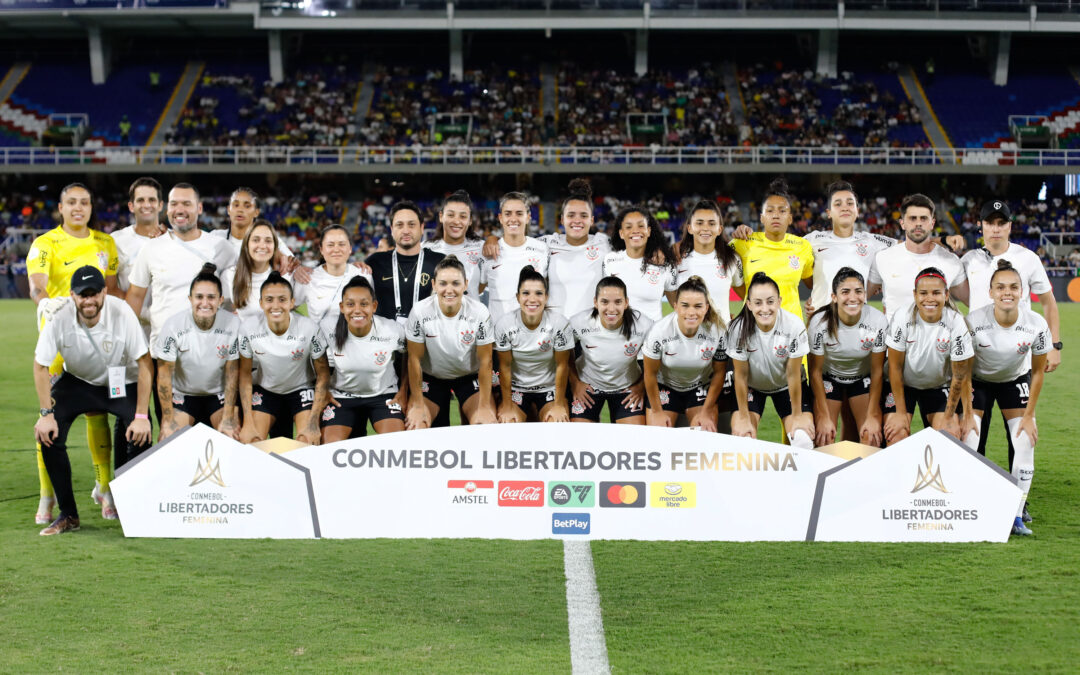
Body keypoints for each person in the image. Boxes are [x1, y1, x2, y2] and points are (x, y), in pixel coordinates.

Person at [26, 182, 121, 525]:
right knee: (50, 420)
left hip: (96, 345)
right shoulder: (45, 243)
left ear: (91, 207)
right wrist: (44, 302)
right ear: (61, 208)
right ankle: (47, 495)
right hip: (57, 347)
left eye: (84, 202)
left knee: (98, 415)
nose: (78, 208)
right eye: (71, 202)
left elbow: (110, 290)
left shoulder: (105, 243)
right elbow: (37, 284)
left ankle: (104, 487)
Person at [32, 266, 152, 535]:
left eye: (94, 294)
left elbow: (144, 363)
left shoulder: (121, 312)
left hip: (118, 381)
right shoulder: (59, 317)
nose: (89, 301)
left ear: (105, 292)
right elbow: (40, 366)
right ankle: (68, 514)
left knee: (142, 431)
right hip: (77, 382)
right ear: (72, 296)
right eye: (82, 295)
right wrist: (45, 413)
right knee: (48, 434)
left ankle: (134, 508)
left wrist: (142, 416)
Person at [961, 200, 1060, 522]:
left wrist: (1053, 345)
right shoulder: (968, 259)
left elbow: (1048, 301)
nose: (995, 227)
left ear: (1009, 227)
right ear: (981, 226)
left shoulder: (1027, 258)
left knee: (1018, 435)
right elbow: (947, 293)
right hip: (978, 357)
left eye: (1001, 222)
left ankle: (1018, 503)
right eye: (990, 222)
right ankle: (975, 498)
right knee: (975, 436)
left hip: (1016, 357)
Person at [964, 260, 1050, 536]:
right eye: (1000, 287)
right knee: (970, 439)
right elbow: (962, 369)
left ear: (1022, 291)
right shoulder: (974, 321)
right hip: (978, 382)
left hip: (1015, 381)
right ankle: (970, 506)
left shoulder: (1036, 324)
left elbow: (1037, 372)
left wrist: (1029, 416)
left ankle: (1016, 514)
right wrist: (966, 412)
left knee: (1025, 440)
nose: (1007, 292)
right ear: (990, 292)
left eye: (1013, 287)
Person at [804, 181, 966, 315]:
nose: (844, 207)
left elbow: (912, 242)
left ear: (857, 211)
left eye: (850, 203)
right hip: (821, 320)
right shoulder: (813, 240)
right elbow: (797, 265)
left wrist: (944, 239)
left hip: (859, 325)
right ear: (829, 212)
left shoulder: (873, 241)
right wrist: (816, 293)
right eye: (837, 204)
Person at [127, 182, 236, 355]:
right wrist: (129, 341)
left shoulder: (220, 247)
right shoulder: (151, 248)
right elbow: (135, 296)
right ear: (167, 208)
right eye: (174, 204)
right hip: (163, 353)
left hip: (209, 353)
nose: (179, 209)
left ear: (199, 208)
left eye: (186, 204)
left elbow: (237, 297)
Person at [882, 267, 976, 446]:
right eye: (923, 293)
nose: (929, 298)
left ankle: (934, 474)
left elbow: (959, 375)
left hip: (938, 386)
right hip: (904, 386)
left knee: (948, 435)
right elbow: (894, 367)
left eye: (936, 293)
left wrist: (949, 416)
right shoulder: (903, 317)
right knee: (896, 435)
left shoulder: (955, 321)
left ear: (946, 295)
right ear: (915, 295)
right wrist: (900, 413)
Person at [404, 256, 497, 429]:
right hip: (432, 379)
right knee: (416, 425)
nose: (449, 290)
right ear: (433, 285)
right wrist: (417, 405)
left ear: (465, 284)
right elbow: (414, 360)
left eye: (455, 283)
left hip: (468, 378)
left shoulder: (479, 313)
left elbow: (486, 361)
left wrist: (484, 407)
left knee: (484, 425)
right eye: (443, 283)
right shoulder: (420, 311)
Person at [237, 273, 330, 445]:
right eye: (269, 299)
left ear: (292, 302)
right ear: (261, 303)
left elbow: (323, 374)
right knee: (250, 440)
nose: (275, 305)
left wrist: (313, 421)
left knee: (308, 440)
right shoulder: (248, 328)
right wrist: (248, 421)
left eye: (282, 299)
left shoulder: (309, 328)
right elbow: (244, 375)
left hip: (301, 389)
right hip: (267, 390)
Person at [728, 272, 815, 448]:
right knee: (742, 438)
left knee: (802, 439)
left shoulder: (793, 325)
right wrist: (744, 417)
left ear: (779, 301)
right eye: (758, 303)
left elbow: (793, 374)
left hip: (786, 385)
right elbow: (741, 376)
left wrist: (797, 415)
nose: (765, 309)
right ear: (749, 305)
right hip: (752, 386)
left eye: (770, 301)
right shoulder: (738, 328)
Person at [155, 264, 241, 441]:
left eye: (211, 297)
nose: (205, 303)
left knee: (232, 438)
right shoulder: (173, 326)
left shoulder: (233, 324)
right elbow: (163, 376)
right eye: (199, 297)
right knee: (168, 441)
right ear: (190, 299)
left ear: (220, 300)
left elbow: (232, 373)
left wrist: (228, 416)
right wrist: (167, 419)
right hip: (183, 396)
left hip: (219, 396)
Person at [807, 268, 888, 447]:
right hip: (829, 379)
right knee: (824, 437)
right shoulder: (819, 323)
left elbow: (877, 371)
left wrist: (873, 415)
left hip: (862, 379)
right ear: (834, 297)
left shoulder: (878, 321)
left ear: (865, 295)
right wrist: (823, 416)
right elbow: (815, 372)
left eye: (858, 291)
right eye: (845, 292)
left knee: (871, 437)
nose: (853, 297)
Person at [320, 276, 408, 440]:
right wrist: (323, 390)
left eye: (364, 304)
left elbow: (409, 358)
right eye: (350, 304)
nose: (357, 310)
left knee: (396, 445)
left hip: (384, 396)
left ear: (374, 306)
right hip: (341, 397)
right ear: (342, 307)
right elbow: (317, 360)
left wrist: (403, 391)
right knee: (330, 448)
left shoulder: (391, 329)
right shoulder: (326, 328)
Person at [642, 276, 728, 431]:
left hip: (699, 387)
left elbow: (719, 373)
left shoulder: (717, 332)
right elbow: (649, 374)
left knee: (704, 433)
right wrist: (657, 411)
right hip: (666, 387)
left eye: (698, 306)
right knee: (658, 435)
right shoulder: (659, 332)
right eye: (685, 305)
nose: (691, 312)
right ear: (675, 306)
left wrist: (707, 410)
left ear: (706, 308)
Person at [868, 193, 969, 323]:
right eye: (912, 218)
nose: (918, 223)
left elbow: (974, 302)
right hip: (893, 341)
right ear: (902, 223)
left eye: (923, 218)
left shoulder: (951, 261)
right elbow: (860, 297)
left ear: (932, 223)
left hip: (936, 341)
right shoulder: (883, 258)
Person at [568, 276, 653, 425]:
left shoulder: (644, 325)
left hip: (627, 388)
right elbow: (563, 353)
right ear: (595, 302)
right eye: (605, 302)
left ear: (626, 303)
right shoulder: (578, 322)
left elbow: (658, 358)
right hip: (588, 385)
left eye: (618, 302)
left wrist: (641, 386)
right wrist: (575, 382)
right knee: (579, 438)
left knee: (633, 438)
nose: (611, 309)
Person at [493, 266, 573, 423]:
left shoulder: (559, 324)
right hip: (517, 389)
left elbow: (562, 366)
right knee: (507, 424)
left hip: (549, 390)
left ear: (546, 297)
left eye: (538, 293)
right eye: (526, 293)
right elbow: (505, 367)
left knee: (557, 424)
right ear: (517, 297)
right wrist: (507, 405)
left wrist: (558, 404)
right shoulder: (505, 324)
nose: (532, 299)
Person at [730, 179, 813, 321]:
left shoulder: (802, 246)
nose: (776, 215)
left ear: (790, 218)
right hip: (753, 328)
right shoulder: (742, 242)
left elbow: (813, 283)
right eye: (770, 210)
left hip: (792, 330)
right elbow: (725, 277)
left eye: (782, 211)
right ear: (762, 218)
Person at [363, 201, 445, 325]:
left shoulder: (440, 262)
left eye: (411, 225)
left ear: (422, 228)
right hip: (384, 341)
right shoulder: (374, 262)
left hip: (427, 339)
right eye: (399, 225)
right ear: (391, 229)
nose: (406, 231)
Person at [541, 178, 611, 318]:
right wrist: (492, 240)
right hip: (557, 332)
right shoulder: (547, 244)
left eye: (583, 215)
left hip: (592, 332)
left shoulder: (605, 243)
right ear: (562, 220)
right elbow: (516, 244)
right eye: (571, 215)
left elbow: (638, 246)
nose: (577, 220)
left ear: (591, 220)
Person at [479, 192, 549, 322]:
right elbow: (477, 291)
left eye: (519, 213)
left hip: (533, 335)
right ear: (500, 218)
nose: (513, 218)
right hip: (497, 336)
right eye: (508, 213)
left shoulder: (542, 249)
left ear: (528, 217)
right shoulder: (488, 252)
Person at [294, 224, 373, 339]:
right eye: (330, 245)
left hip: (356, 344)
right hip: (320, 349)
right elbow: (290, 307)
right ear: (321, 249)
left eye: (341, 244)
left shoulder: (363, 275)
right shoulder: (307, 278)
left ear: (350, 248)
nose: (336, 249)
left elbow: (371, 312)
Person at [113, 177, 167, 339]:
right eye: (140, 200)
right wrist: (142, 312)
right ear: (131, 206)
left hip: (166, 330)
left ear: (160, 205)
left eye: (151, 200)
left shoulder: (173, 240)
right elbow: (109, 288)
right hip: (129, 330)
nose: (146, 205)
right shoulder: (116, 241)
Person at [602, 206, 678, 321]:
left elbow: (677, 305)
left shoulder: (664, 264)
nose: (635, 230)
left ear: (649, 231)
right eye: (628, 227)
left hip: (652, 337)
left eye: (641, 226)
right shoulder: (609, 261)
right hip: (619, 337)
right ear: (621, 233)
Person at [675, 199, 744, 324]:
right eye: (699, 223)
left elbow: (745, 295)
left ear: (719, 229)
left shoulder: (732, 258)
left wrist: (736, 323)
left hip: (722, 340)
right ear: (690, 228)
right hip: (686, 339)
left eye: (712, 224)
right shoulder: (677, 259)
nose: (705, 228)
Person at [223, 219, 290, 325]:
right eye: (256, 240)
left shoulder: (286, 276)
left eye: (268, 241)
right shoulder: (230, 275)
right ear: (247, 244)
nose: (262, 246)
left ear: (275, 246)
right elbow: (223, 309)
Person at [423, 190, 485, 298]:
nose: (456, 221)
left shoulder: (482, 248)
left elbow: (484, 284)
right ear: (441, 216)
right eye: (451, 215)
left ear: (470, 220)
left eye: (463, 216)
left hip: (471, 314)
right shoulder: (425, 249)